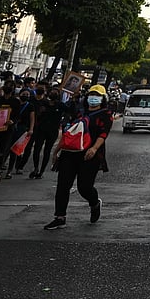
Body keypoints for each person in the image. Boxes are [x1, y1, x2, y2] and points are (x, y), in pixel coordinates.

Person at [44, 84, 113, 230]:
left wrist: (94, 148)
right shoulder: (78, 112)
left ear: (103, 98)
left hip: (90, 155)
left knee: (84, 187)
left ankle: (94, 203)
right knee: (63, 186)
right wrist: (56, 151)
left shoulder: (105, 114)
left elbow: (103, 134)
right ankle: (60, 217)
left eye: (97, 95)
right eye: (91, 95)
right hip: (70, 153)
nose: (93, 98)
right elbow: (68, 133)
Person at [28, 85, 67, 179]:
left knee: (47, 151)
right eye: (52, 92)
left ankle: (41, 171)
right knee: (37, 149)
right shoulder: (43, 103)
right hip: (41, 129)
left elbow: (69, 112)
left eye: (56, 92)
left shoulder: (60, 105)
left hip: (52, 131)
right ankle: (36, 167)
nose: (53, 94)